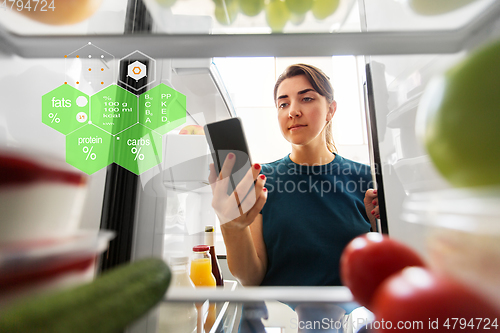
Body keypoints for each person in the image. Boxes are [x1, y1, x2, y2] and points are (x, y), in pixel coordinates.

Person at [208, 64, 379, 288]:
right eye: (283, 103)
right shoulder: (261, 181)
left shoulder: (367, 179)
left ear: (331, 109)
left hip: (350, 318)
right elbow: (250, 278)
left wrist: (378, 228)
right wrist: (231, 226)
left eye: (306, 99)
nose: (293, 111)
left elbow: (383, 270)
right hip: (279, 319)